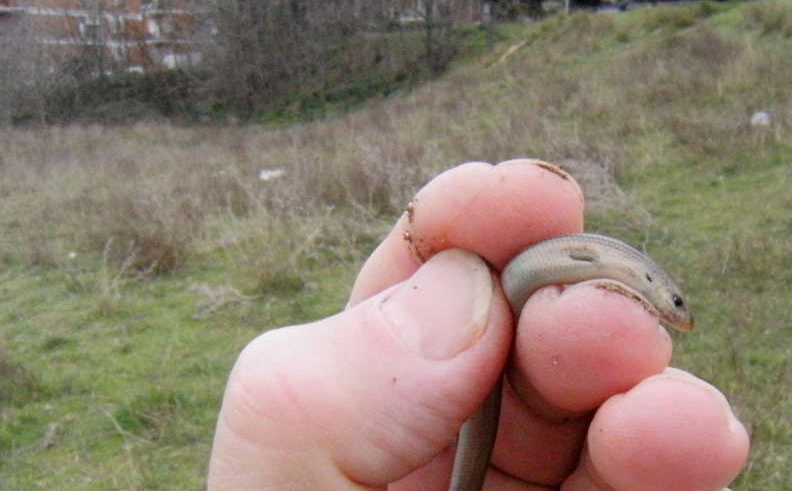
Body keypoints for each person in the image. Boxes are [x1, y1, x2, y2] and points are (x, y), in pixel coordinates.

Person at [208, 160, 749, 490]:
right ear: (654, 284)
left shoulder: (623, 271)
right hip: (504, 292)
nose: (677, 315)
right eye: (673, 303)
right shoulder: (614, 266)